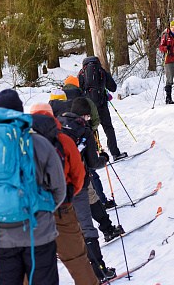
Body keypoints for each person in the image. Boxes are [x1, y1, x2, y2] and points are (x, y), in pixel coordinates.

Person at [0, 89, 66, 285]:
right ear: (21, 114)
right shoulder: (39, 143)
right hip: (39, 233)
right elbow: (59, 189)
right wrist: (42, 209)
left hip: (0, 236)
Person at [30, 103, 99, 285]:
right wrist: (67, 196)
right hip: (62, 209)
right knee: (77, 260)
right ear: (52, 116)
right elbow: (79, 175)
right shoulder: (63, 140)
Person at [67, 97, 121, 283]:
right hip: (77, 183)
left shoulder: (58, 124)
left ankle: (107, 229)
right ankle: (99, 270)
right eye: (88, 115)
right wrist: (104, 158)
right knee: (86, 227)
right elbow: (93, 162)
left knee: (78, 221)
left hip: (57, 187)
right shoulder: (83, 130)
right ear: (84, 114)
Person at [62, 76, 116, 209]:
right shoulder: (84, 98)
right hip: (85, 140)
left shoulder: (57, 99)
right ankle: (101, 201)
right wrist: (89, 131)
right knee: (90, 171)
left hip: (62, 147)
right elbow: (96, 120)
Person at [78, 57, 127, 161]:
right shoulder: (101, 71)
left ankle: (96, 154)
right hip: (102, 104)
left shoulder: (81, 73)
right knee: (108, 127)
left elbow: (79, 90)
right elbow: (113, 87)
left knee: (92, 129)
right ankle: (115, 153)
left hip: (88, 107)